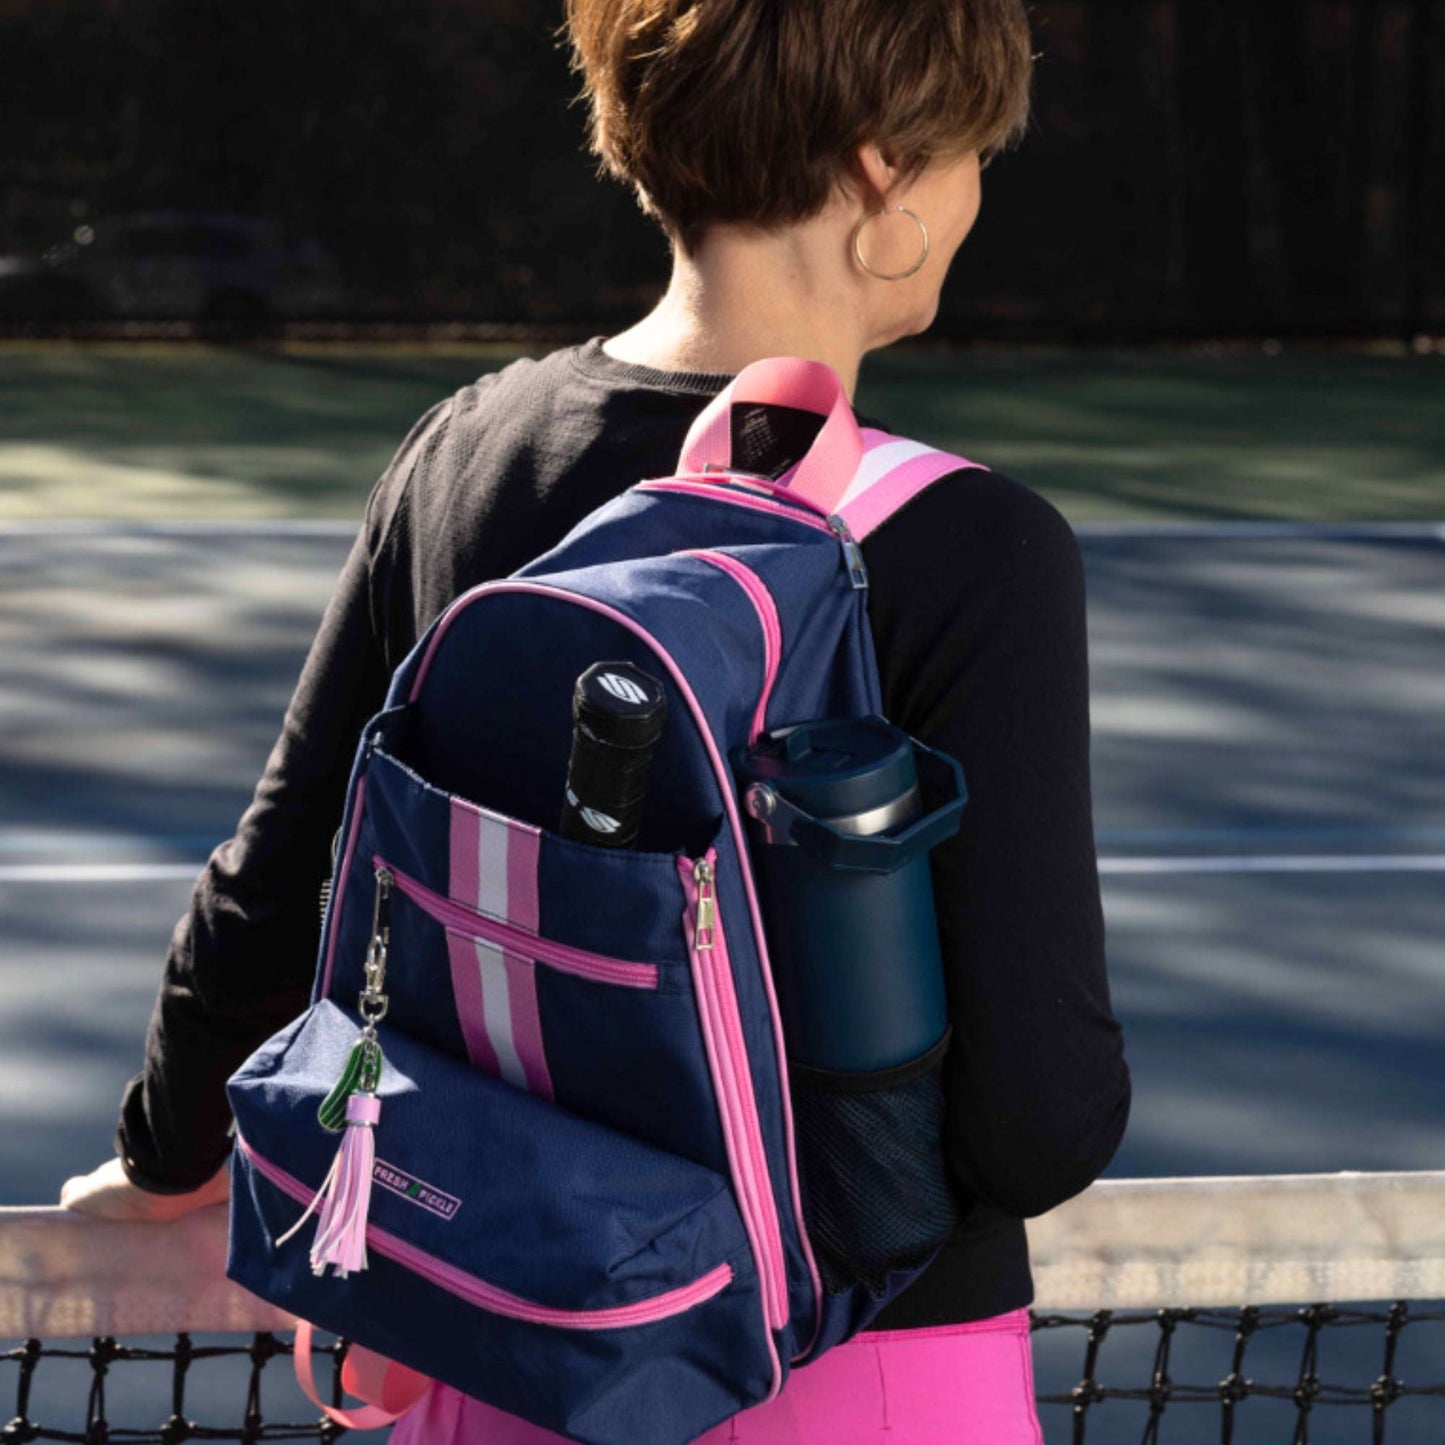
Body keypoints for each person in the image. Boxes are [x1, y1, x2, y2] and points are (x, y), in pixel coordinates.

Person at [62, 0, 1132, 1439]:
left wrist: (165, 1152)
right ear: (885, 175)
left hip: (494, 1336)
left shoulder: (463, 455)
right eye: (968, 158)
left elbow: (279, 884)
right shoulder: (975, 545)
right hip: (854, 1368)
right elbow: (1034, 1119)